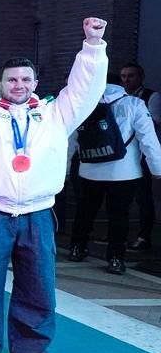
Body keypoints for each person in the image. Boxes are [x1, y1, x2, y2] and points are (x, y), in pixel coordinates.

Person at [0, 15, 107, 353]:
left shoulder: (55, 113)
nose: (18, 85)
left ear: (35, 83)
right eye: (11, 80)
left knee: (38, 290)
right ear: (0, 84)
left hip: (38, 213)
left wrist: (92, 45)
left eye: (25, 79)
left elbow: (84, 89)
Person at [68, 76, 161, 275]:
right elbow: (148, 139)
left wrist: (66, 168)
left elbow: (72, 139)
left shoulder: (85, 104)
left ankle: (77, 248)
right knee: (119, 215)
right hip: (124, 172)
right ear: (120, 85)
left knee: (85, 210)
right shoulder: (134, 104)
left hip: (89, 169)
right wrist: (157, 169)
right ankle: (115, 259)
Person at [119, 62, 161, 251]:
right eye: (124, 76)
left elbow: (154, 122)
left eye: (131, 76)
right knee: (121, 197)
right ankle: (119, 234)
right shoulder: (119, 96)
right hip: (122, 155)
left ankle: (144, 236)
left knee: (143, 197)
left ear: (141, 77)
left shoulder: (152, 96)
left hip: (142, 154)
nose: (126, 80)